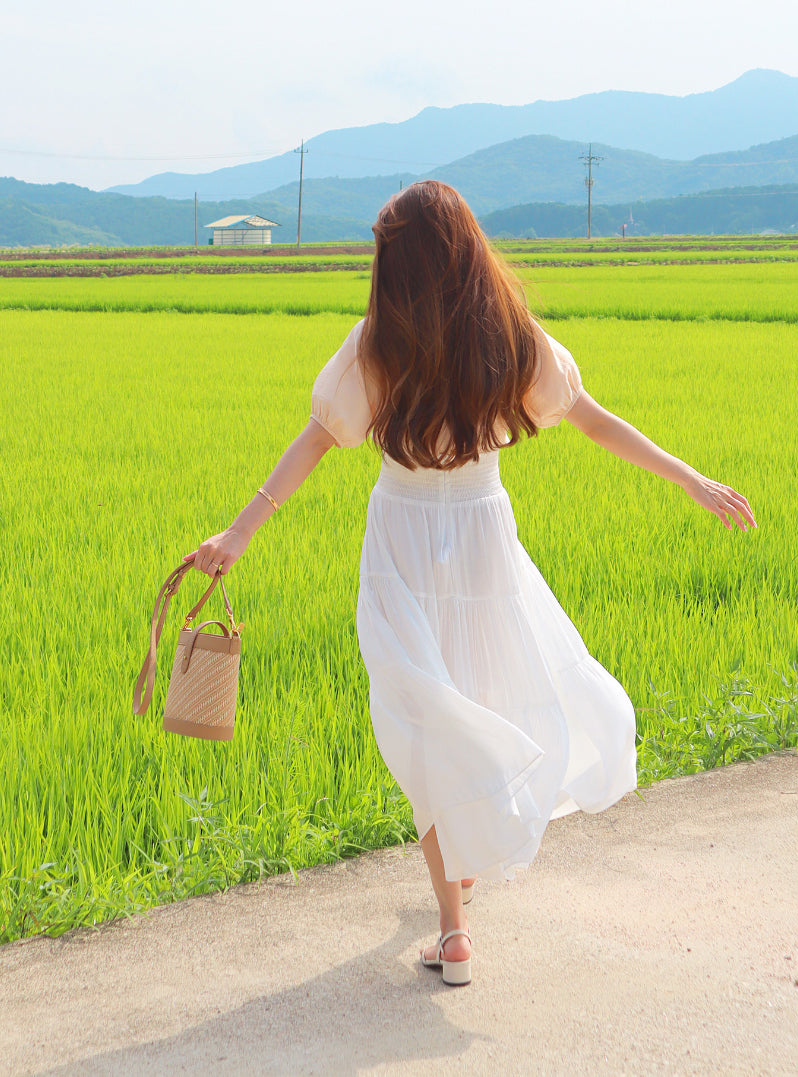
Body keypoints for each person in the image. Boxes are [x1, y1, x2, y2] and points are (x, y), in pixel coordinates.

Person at [189, 181, 756, 987]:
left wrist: (240, 531)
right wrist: (687, 475)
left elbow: (316, 440)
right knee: (470, 702)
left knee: (426, 720)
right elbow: (593, 417)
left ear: (403, 267)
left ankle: (453, 929)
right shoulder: (510, 337)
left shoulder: (376, 345)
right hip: (482, 536)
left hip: (406, 540)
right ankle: (465, 867)